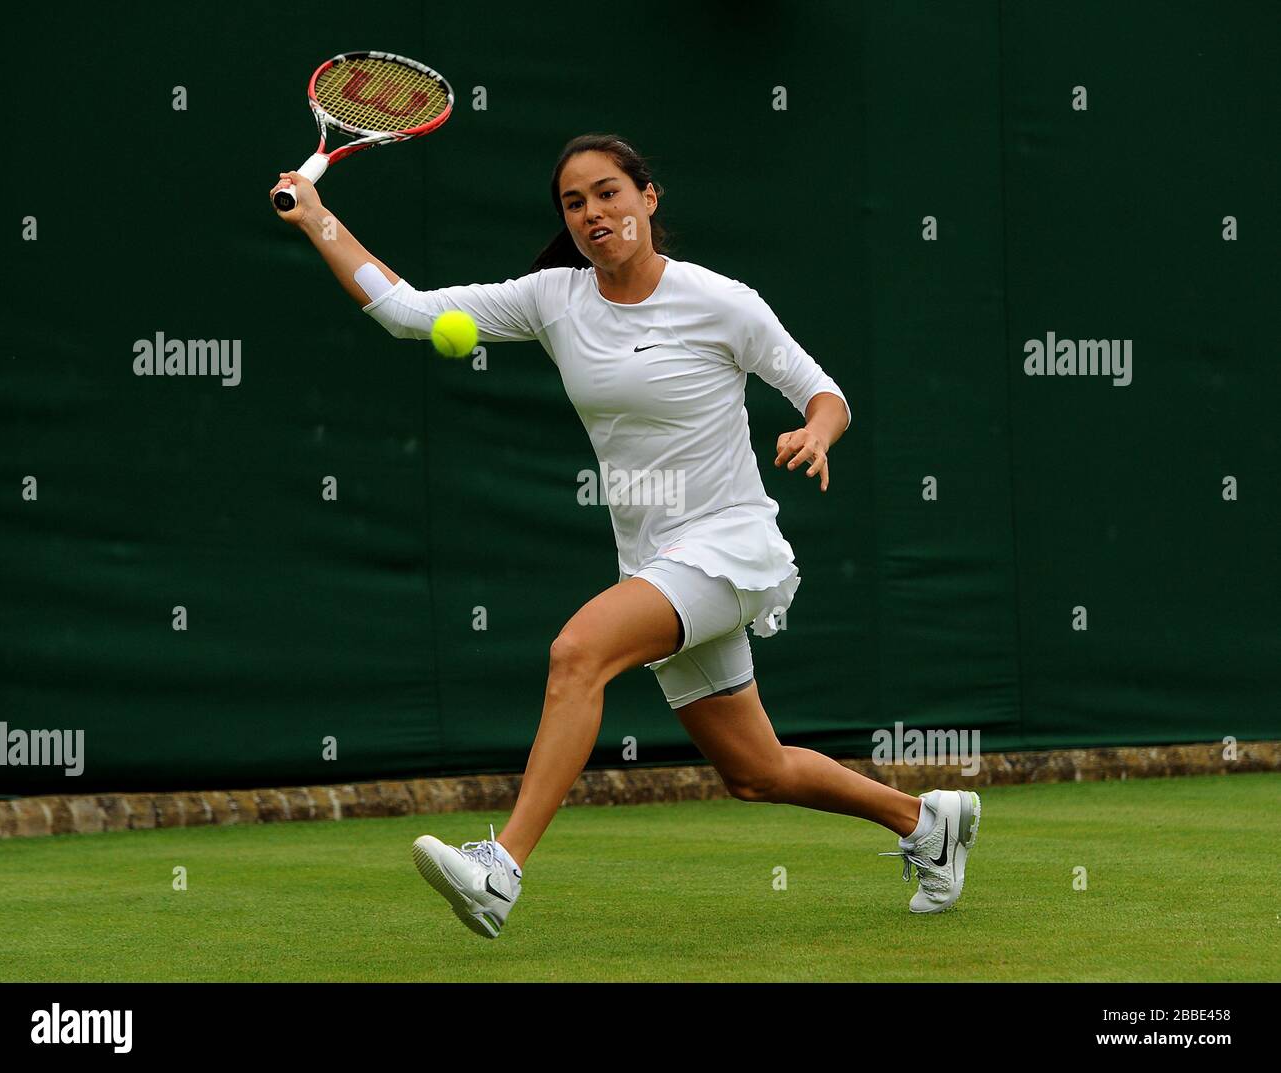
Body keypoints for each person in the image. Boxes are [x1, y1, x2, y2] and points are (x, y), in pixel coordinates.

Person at [270, 133, 980, 938]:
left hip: (727, 544)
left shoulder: (722, 302)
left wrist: (816, 434)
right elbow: (407, 314)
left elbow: (824, 392)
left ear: (648, 197)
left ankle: (501, 867)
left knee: (578, 651)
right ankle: (928, 821)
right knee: (755, 769)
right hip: (655, 558)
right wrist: (319, 219)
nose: (592, 214)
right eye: (574, 203)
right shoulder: (552, 298)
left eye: (608, 193)